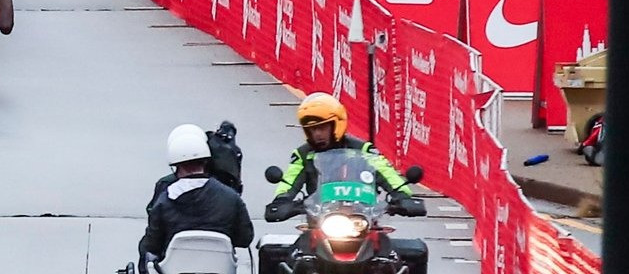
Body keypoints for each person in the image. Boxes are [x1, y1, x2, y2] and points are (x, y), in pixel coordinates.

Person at [265, 93, 425, 221]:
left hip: (363, 219)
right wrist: (283, 201)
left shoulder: (365, 151)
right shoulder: (303, 155)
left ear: (336, 124)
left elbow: (389, 175)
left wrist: (403, 196)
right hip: (319, 222)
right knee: (288, 254)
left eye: (322, 128)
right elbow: (288, 183)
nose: (318, 134)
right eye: (312, 129)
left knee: (401, 255)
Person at [139, 124, 254, 272]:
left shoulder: (164, 201)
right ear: (206, 161)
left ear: (175, 165)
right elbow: (245, 238)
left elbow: (152, 245)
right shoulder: (231, 197)